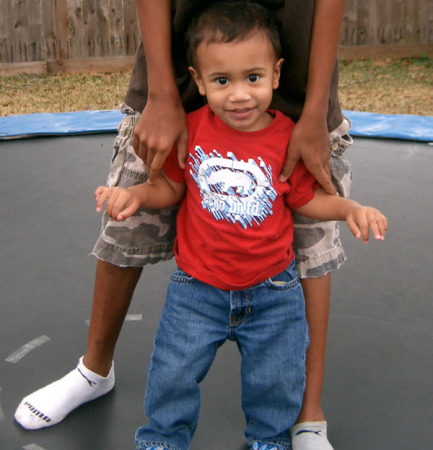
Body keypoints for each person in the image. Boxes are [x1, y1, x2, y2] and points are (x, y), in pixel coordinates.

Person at [15, 0, 349, 448]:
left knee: (311, 245)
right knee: (128, 220)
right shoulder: (186, 77)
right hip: (175, 53)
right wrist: (160, 93)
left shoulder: (274, 80)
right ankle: (94, 370)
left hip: (289, 62)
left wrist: (315, 108)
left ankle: (307, 414)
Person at [94, 3, 387, 449]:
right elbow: (170, 188)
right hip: (196, 291)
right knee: (172, 372)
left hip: (273, 292)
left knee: (275, 380)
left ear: (276, 75)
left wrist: (349, 209)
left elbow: (307, 198)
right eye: (222, 81)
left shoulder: (286, 137)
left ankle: (270, 439)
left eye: (253, 78)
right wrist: (133, 195)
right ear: (198, 81)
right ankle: (161, 438)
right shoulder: (192, 131)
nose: (239, 95)